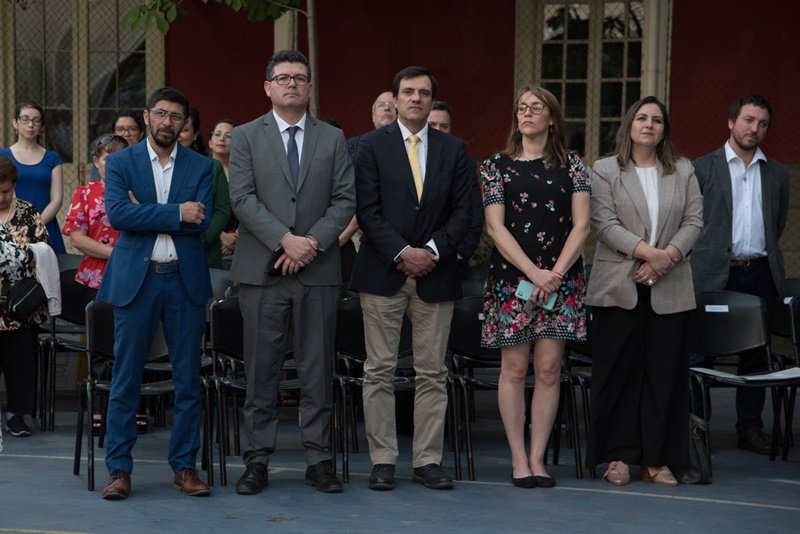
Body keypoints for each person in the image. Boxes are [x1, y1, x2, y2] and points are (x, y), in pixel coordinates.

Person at [228, 49, 355, 495]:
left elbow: (345, 199)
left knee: (317, 371)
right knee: (261, 371)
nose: (292, 84)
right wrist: (285, 239)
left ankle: (318, 459)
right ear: (268, 87)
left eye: (300, 77)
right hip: (262, 272)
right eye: (283, 78)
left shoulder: (333, 138)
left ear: (310, 87)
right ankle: (257, 460)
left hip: (317, 272)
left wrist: (310, 244)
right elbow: (242, 199)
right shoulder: (246, 136)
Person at [350, 66, 473, 491]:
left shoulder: (454, 149)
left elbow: (464, 210)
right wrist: (403, 252)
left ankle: (427, 460)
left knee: (433, 373)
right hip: (383, 271)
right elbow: (366, 209)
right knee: (379, 370)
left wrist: (432, 251)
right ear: (396, 99)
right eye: (408, 92)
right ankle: (383, 460)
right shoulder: (370, 146)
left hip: (436, 274)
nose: (416, 98)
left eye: (423, 92)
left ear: (432, 100)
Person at [97, 87, 214, 500]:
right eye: (161, 114)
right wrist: (176, 211)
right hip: (137, 281)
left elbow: (202, 221)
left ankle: (184, 467)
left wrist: (144, 211)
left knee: (188, 381)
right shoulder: (121, 162)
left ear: (185, 123)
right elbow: (118, 214)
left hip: (184, 281)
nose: (168, 122)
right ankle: (118, 470)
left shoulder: (202, 166)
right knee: (126, 378)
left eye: (176, 116)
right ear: (146, 116)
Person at [585, 96, 703, 487]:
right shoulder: (605, 169)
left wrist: (666, 258)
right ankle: (617, 458)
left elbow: (694, 220)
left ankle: (656, 460)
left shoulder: (683, 169)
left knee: (664, 376)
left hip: (671, 287)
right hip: (618, 286)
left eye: (656, 119)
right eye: (641, 118)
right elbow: (604, 223)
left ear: (664, 130)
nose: (649, 124)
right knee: (618, 374)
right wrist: (651, 255)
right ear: (629, 126)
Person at [479, 86, 590, 488]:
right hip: (513, 281)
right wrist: (533, 272)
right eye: (521, 108)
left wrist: (554, 274)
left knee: (547, 369)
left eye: (536, 108)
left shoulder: (574, 166)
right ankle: (518, 459)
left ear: (552, 119)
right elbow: (495, 227)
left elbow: (582, 225)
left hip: (562, 279)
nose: (526, 113)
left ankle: (539, 458)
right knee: (514, 368)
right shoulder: (495, 166)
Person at [690, 94, 789, 455]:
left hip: (759, 273)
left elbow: (777, 224)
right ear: (731, 122)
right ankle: (696, 427)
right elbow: (690, 222)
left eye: (762, 123)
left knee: (756, 355)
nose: (754, 129)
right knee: (700, 354)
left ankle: (750, 427)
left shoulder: (777, 173)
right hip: (713, 274)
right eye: (748, 120)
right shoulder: (702, 168)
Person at [0, 156, 52, 437]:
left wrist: (20, 254)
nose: (1, 197)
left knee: (21, 359)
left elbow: (44, 248)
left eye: (6, 191)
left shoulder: (28, 211)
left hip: (21, 301)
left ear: (14, 185)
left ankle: (16, 415)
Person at [62, 135, 128, 294]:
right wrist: (116, 254)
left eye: (120, 159)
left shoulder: (137, 193)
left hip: (131, 272)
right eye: (108, 159)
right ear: (96, 161)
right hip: (96, 275)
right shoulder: (85, 194)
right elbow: (77, 239)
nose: (114, 164)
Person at [1, 101, 65, 254]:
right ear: (15, 123)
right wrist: (16, 225)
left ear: (41, 126)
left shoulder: (52, 158)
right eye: (25, 119)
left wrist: (35, 224)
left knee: (49, 266)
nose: (31, 124)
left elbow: (57, 200)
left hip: (45, 225)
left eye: (36, 120)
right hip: (8, 227)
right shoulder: (2, 155)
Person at [427, 100, 484, 271]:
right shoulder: (403, 157)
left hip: (448, 259)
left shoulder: (464, 163)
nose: (438, 130)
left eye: (443, 126)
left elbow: (473, 211)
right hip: (405, 260)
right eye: (432, 125)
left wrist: (460, 253)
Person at [178, 108, 231, 269]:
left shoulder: (212, 167)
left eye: (184, 130)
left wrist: (201, 238)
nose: (178, 134)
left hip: (204, 254)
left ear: (195, 134)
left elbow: (222, 210)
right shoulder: (154, 166)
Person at [208, 119, 239, 264]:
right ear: (210, 142)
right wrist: (222, 236)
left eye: (228, 136)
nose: (222, 139)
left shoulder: (244, 172)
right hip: (211, 240)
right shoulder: (201, 170)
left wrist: (236, 237)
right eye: (217, 134)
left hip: (240, 244)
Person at [347, 91, 397, 161]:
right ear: (373, 116)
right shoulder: (353, 146)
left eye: (392, 105)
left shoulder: (409, 144)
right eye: (381, 105)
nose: (387, 108)